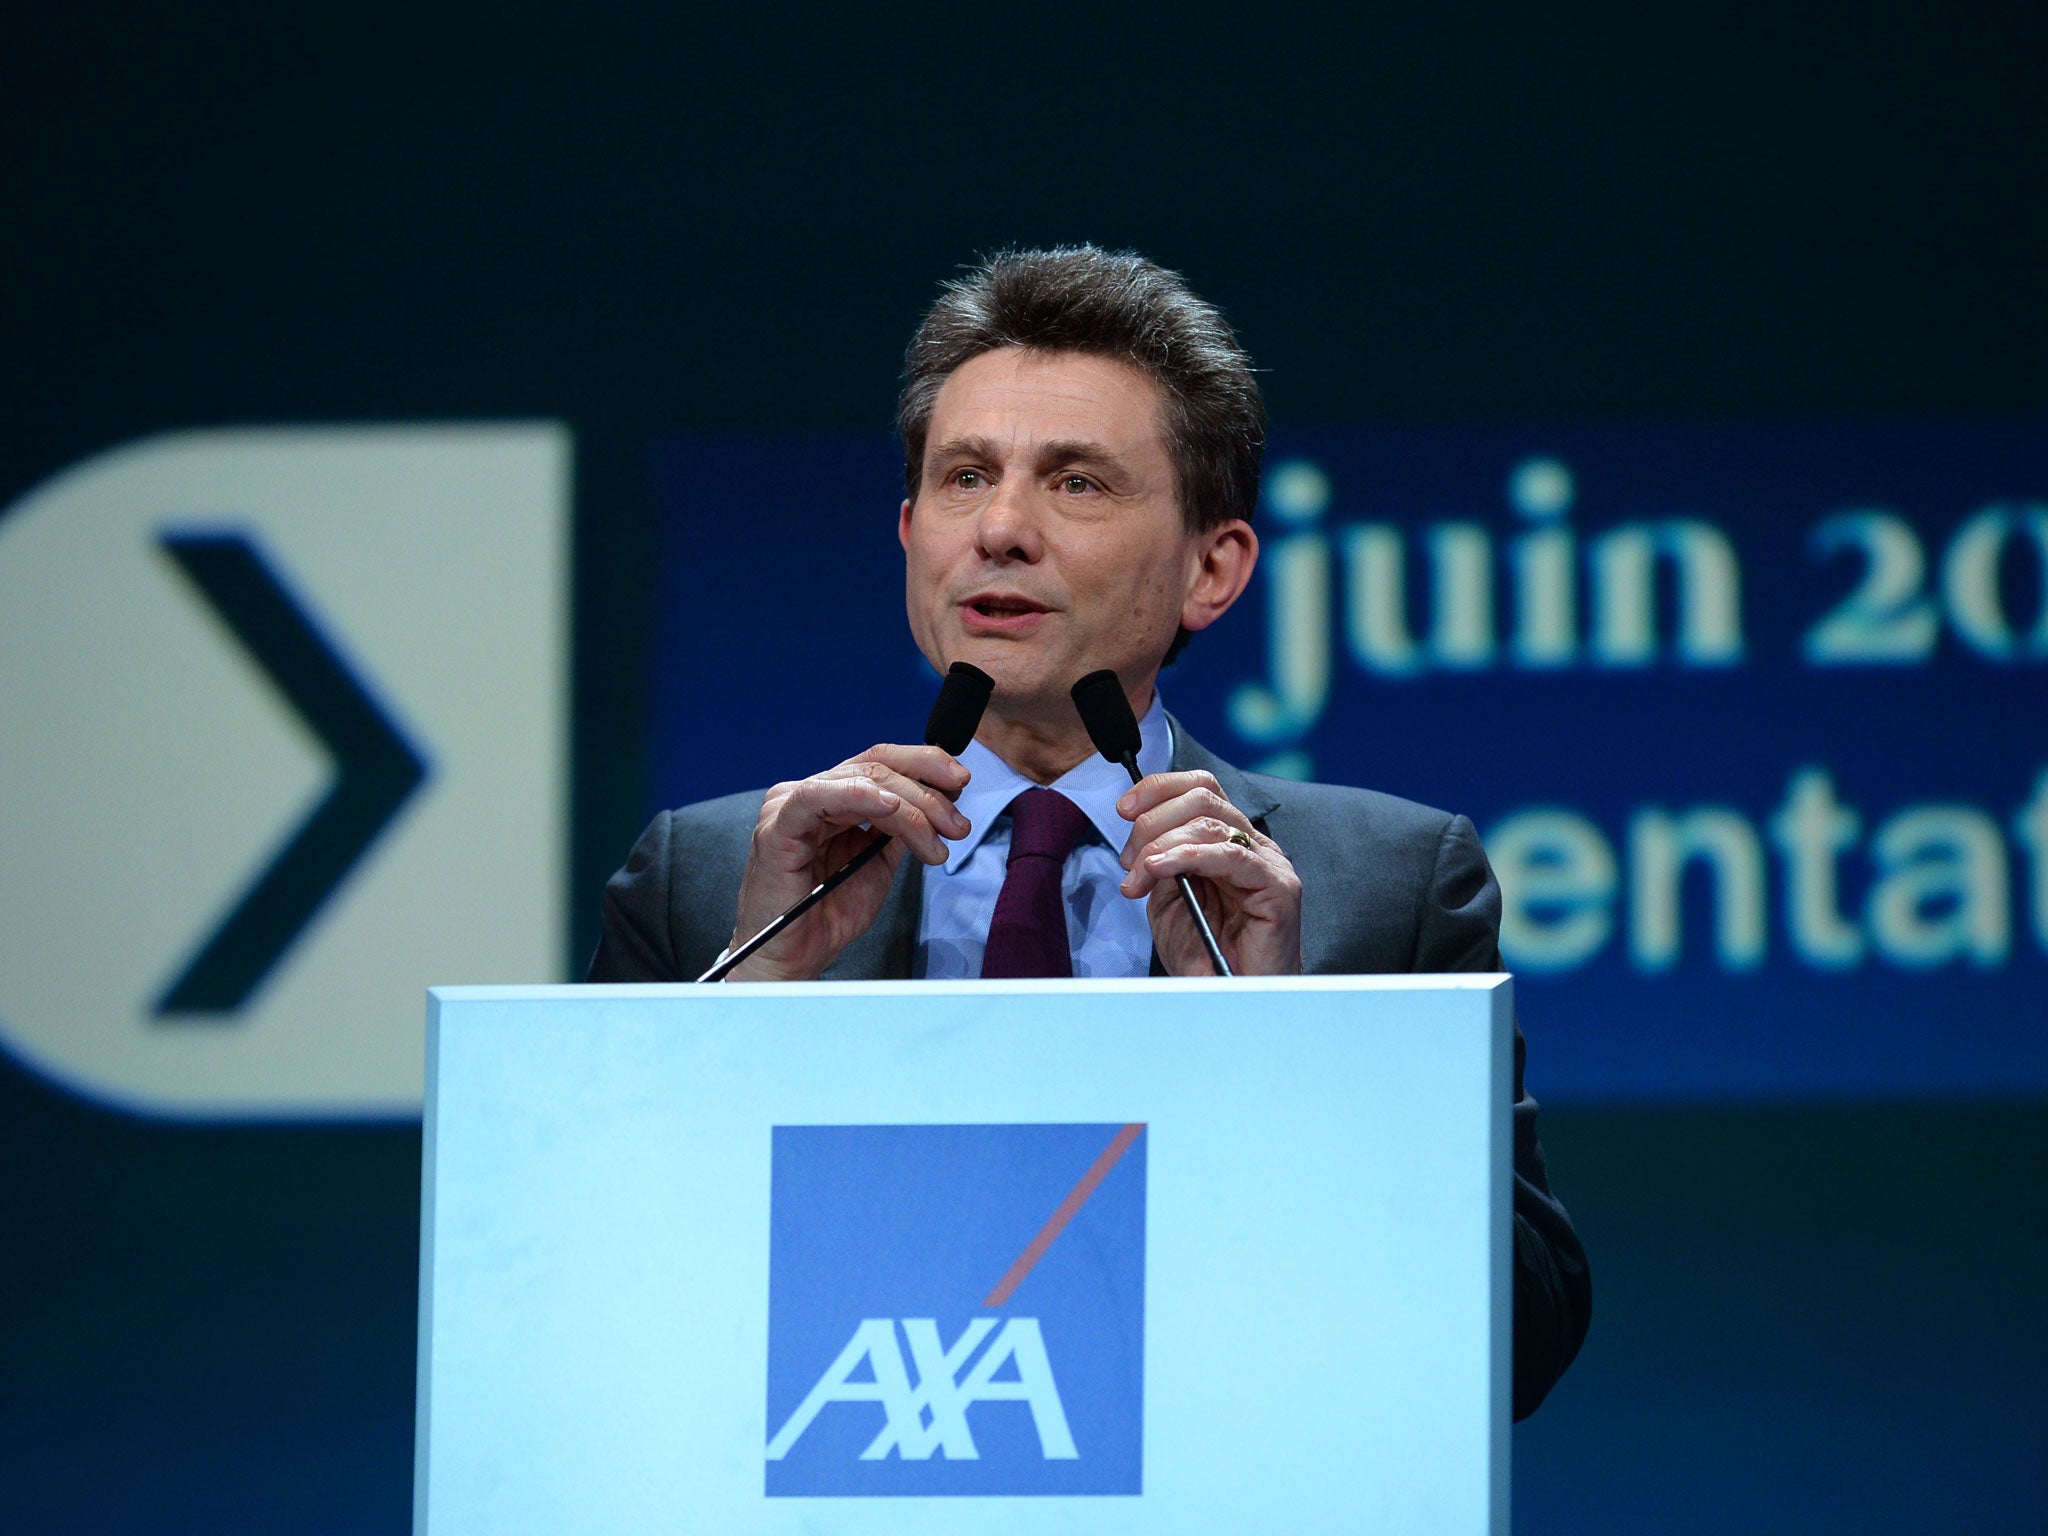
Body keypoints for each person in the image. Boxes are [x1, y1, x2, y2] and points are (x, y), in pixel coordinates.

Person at [588, 245, 1590, 1417]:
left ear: (1210, 570)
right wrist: (749, 1008)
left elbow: (1519, 1340)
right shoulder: (714, 880)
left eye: (1076, 483)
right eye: (964, 477)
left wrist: (1285, 1057)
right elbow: (568, 1293)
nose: (1000, 529)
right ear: (907, 531)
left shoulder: (1386, 884)